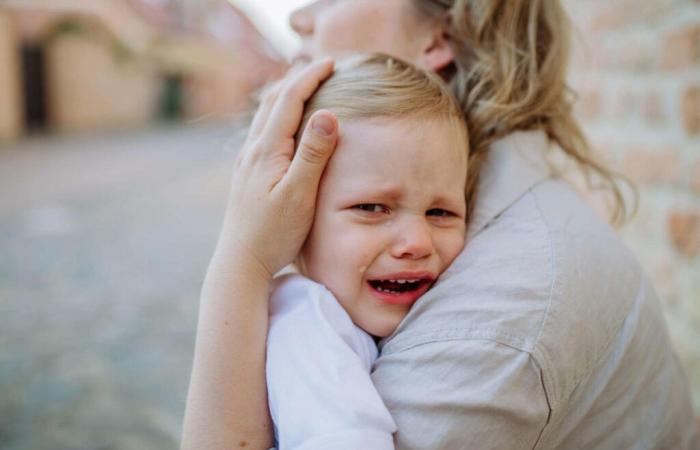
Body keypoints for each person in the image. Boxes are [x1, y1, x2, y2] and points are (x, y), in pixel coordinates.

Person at [181, 1, 699, 449]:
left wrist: (243, 260)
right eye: (371, 207)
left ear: (441, 37)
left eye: (440, 213)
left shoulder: (494, 319)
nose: (298, 16)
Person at [266, 54, 468, 449]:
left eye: (440, 212)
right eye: (372, 208)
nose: (417, 243)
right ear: (297, 217)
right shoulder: (308, 327)